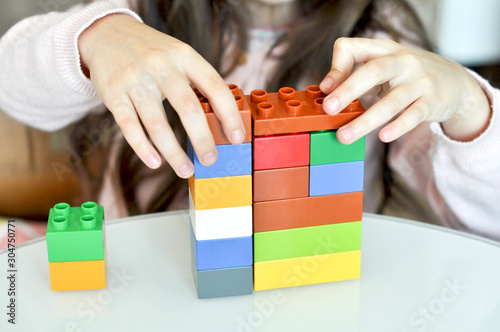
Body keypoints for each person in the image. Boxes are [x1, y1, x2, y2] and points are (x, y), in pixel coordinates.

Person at [0, 0, 499, 240]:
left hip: (304, 282)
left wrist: (470, 110)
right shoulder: (141, 14)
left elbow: (484, 222)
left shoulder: (380, 36)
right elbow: (14, 85)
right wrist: (96, 39)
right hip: (135, 270)